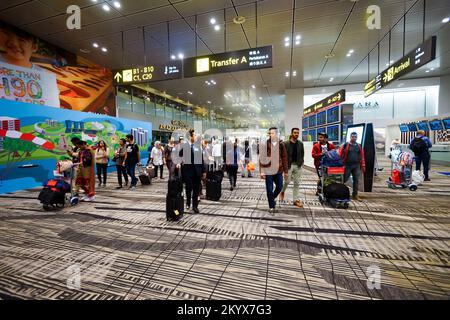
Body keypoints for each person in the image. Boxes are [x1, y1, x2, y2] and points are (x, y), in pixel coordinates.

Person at [259, 127, 289, 214]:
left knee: (279, 186)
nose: (270, 135)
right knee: (269, 189)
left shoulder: (281, 144)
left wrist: (286, 171)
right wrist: (262, 171)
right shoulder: (265, 144)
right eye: (269, 133)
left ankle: (272, 199)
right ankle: (271, 206)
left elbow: (284, 158)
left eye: (272, 133)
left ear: (276, 133)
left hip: (279, 170)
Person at [176, 129, 206, 214]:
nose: (196, 136)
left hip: (197, 171)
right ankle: (188, 202)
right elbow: (180, 155)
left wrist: (203, 171)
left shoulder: (198, 146)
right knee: (189, 188)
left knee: (196, 189)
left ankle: (195, 206)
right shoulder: (185, 145)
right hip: (188, 171)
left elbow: (201, 159)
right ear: (190, 136)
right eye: (194, 135)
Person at [280, 128, 304, 208]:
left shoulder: (300, 143)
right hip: (288, 165)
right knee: (287, 181)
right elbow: (282, 156)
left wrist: (301, 162)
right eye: (295, 133)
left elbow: (302, 154)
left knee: (297, 183)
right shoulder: (285, 143)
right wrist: (283, 166)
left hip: (298, 165)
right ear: (291, 133)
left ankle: (295, 200)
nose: (296, 134)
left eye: (297, 133)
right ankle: (282, 191)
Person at [339, 132, 366, 201]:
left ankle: (355, 195)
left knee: (356, 180)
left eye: (355, 137)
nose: (354, 138)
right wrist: (340, 164)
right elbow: (340, 154)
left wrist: (363, 165)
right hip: (347, 165)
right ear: (350, 137)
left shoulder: (359, 146)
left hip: (356, 165)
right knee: (344, 179)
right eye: (353, 137)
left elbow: (362, 155)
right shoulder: (346, 145)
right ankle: (340, 193)